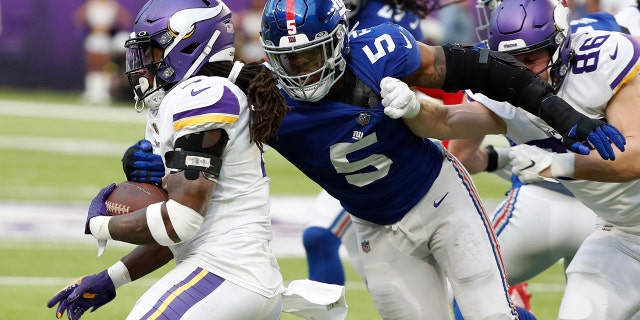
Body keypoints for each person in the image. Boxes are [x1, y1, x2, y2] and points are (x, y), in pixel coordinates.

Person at [259, 0, 624, 318]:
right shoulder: (263, 101)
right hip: (375, 225)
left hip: (441, 196)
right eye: (286, 60)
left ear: (339, 41)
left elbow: (481, 67)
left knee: (491, 315)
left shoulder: (377, 50)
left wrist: (562, 114)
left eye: (309, 55)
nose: (300, 71)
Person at [388, 0, 639, 318]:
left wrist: (554, 164)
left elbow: (635, 158)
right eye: (510, 61)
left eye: (530, 58)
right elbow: (446, 122)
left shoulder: (604, 56)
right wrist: (413, 106)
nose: (520, 71)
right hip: (624, 232)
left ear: (559, 44)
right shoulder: (502, 88)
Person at [47, 0, 292, 319]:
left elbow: (180, 220)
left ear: (187, 45)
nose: (143, 62)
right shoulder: (184, 98)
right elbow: (181, 228)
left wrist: (100, 225)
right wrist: (112, 278)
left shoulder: (202, 95)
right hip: (236, 280)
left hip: (226, 273)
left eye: (152, 49)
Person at [301, 0, 467, 287]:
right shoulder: (315, 15)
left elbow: (364, 85)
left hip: (378, 153)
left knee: (320, 235)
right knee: (386, 282)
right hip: (349, 150)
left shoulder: (388, 19)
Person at [73, 0, 133, 105]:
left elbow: (126, 18)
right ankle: (91, 93)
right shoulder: (92, 4)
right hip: (94, 38)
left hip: (106, 39)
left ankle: (103, 94)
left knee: (105, 66)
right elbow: (78, 17)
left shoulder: (112, 5)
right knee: (93, 66)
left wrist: (111, 28)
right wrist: (92, 26)